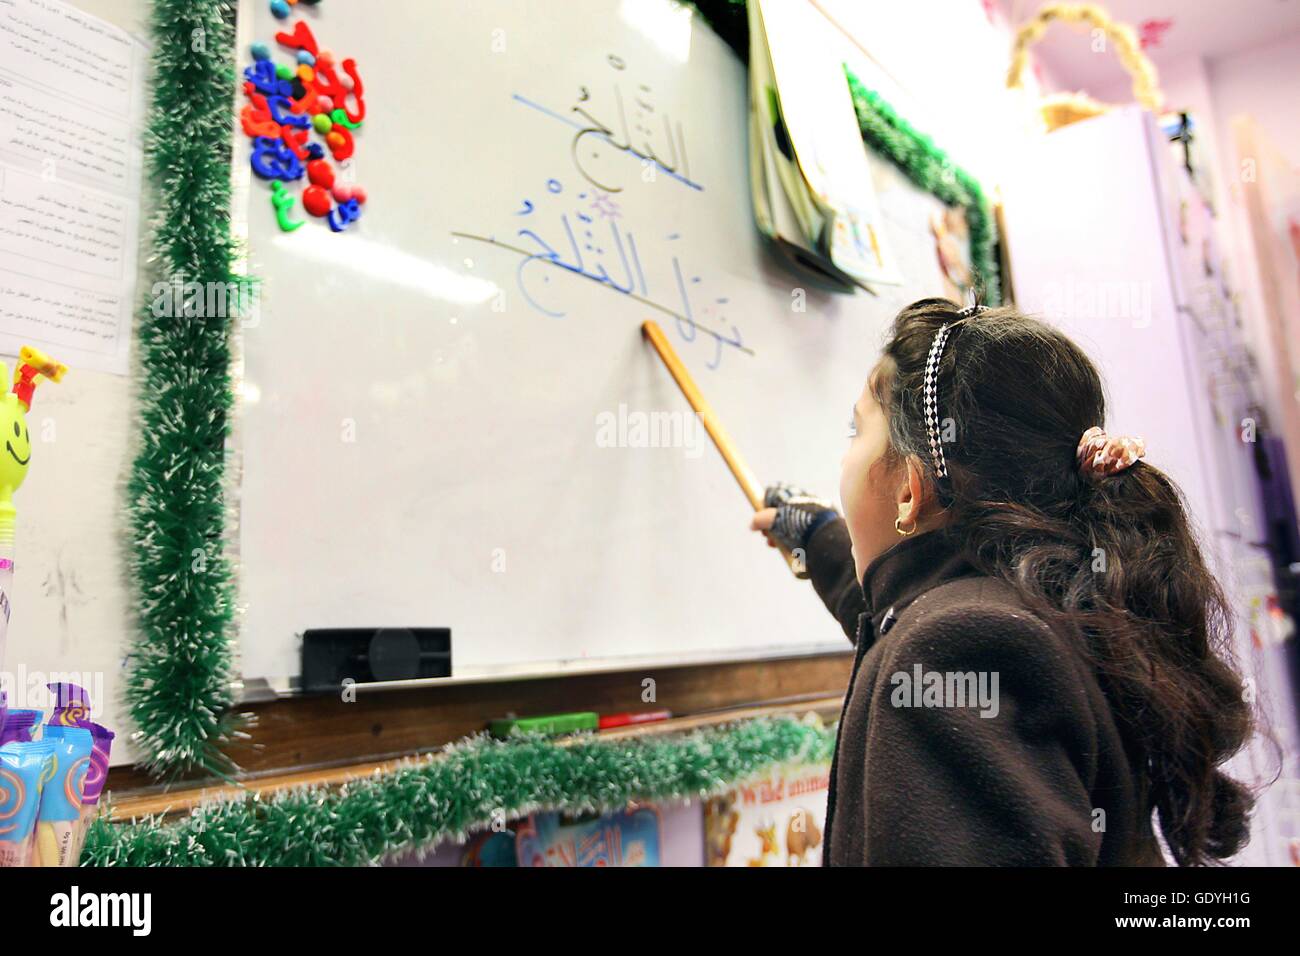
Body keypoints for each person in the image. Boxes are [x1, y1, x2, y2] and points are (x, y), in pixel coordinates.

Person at [752, 297, 1254, 866]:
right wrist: (818, 538)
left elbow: (930, 635)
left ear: (910, 490)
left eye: (856, 429)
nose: (845, 456)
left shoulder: (954, 646)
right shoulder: (1057, 607)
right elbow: (912, 606)